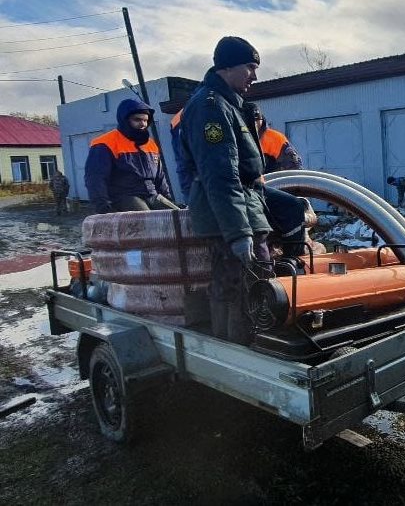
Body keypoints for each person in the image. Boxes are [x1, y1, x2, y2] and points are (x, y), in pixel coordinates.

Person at [179, 36, 271, 345]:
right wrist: (238, 232)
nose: (254, 77)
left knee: (244, 282)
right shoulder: (210, 108)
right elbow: (220, 174)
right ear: (227, 67)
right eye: (250, 68)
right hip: (230, 215)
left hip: (244, 206)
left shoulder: (229, 105)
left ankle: (241, 349)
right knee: (245, 283)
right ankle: (242, 359)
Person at [84, 98, 178, 214]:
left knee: (177, 215)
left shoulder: (150, 144)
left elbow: (160, 177)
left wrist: (167, 198)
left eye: (145, 120)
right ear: (125, 119)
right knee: (149, 221)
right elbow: (95, 178)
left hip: (152, 195)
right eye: (137, 119)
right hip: (124, 196)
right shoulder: (105, 144)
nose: (143, 124)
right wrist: (103, 207)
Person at [246, 102, 303, 173]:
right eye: (251, 121)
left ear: (261, 119)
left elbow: (294, 166)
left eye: (257, 119)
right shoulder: (238, 139)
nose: (254, 123)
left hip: (274, 180)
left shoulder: (274, 138)